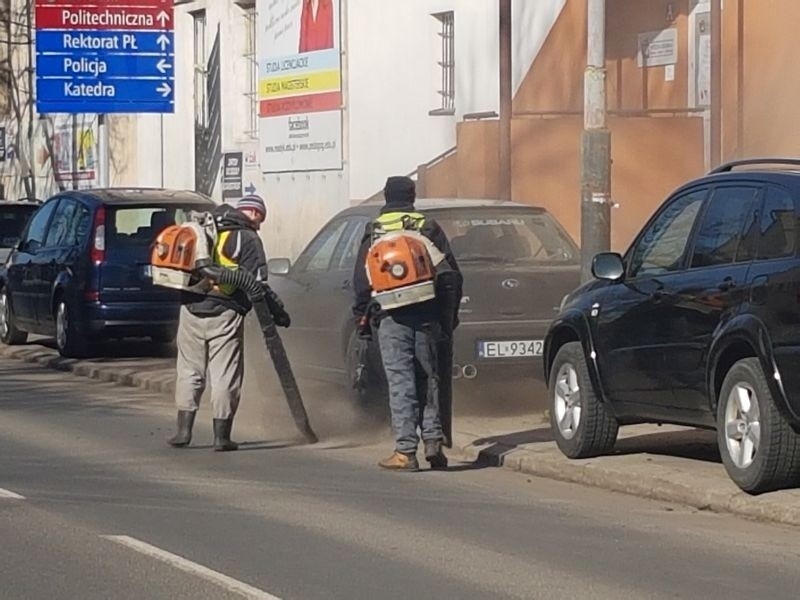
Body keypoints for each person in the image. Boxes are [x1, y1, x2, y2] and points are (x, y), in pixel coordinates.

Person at [352, 176, 462, 471]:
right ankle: (434, 443)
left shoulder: (375, 230)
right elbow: (451, 275)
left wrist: (363, 315)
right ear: (413, 196)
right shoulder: (426, 227)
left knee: (401, 380)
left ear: (387, 197)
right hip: (427, 313)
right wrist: (447, 317)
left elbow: (362, 282)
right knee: (428, 377)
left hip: (390, 316)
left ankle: (405, 451)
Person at [167, 195, 269, 452]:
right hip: (225, 311)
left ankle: (183, 432)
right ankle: (221, 437)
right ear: (254, 214)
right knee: (225, 375)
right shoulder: (247, 238)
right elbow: (257, 282)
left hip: (190, 308)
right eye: (260, 218)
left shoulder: (202, 228)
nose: (259, 224)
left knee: (189, 371)